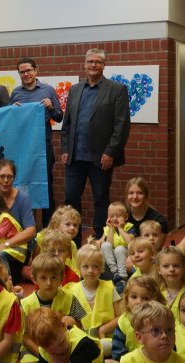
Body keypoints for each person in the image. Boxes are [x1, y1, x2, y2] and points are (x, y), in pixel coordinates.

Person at [61, 48, 131, 239]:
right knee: (70, 197)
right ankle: (73, 238)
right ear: (84, 65)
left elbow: (122, 125)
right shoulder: (75, 90)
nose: (93, 65)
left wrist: (111, 152)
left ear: (104, 65)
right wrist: (65, 149)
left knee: (100, 199)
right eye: (90, 61)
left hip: (101, 158)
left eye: (98, 62)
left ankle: (101, 238)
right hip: (75, 157)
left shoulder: (116, 90)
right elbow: (66, 123)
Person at [10, 57, 64, 226]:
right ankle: (23, 225)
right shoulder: (16, 93)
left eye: (29, 70)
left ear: (36, 71)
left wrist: (50, 106)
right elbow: (9, 121)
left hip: (43, 146)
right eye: (22, 72)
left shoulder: (48, 90)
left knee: (46, 186)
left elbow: (59, 117)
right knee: (21, 185)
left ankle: (50, 227)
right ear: (19, 74)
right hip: (22, 148)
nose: (26, 74)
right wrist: (13, 110)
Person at [107, 275, 166, 363]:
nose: (139, 302)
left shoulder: (160, 321)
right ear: (126, 300)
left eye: (146, 298)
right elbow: (117, 347)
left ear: (156, 301)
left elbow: (166, 347)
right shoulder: (123, 321)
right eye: (134, 297)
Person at [70, 244, 119, 342]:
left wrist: (103, 329)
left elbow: (121, 316)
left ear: (101, 269)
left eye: (95, 266)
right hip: (81, 339)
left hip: (107, 338)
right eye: (85, 266)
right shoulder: (72, 290)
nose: (90, 271)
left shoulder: (109, 288)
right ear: (79, 268)